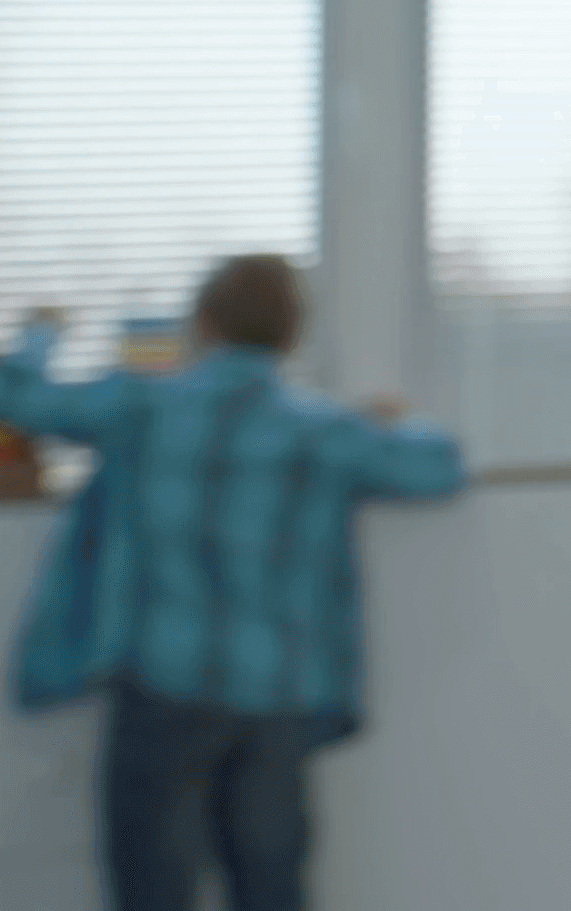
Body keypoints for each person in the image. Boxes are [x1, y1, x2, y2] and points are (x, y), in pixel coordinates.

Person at [2, 257, 468, 911]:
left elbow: (19, 396)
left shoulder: (142, 405)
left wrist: (40, 334)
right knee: (270, 891)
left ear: (203, 323)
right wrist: (388, 420)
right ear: (290, 336)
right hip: (272, 701)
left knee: (151, 892)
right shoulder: (319, 431)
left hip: (161, 689)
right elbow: (439, 467)